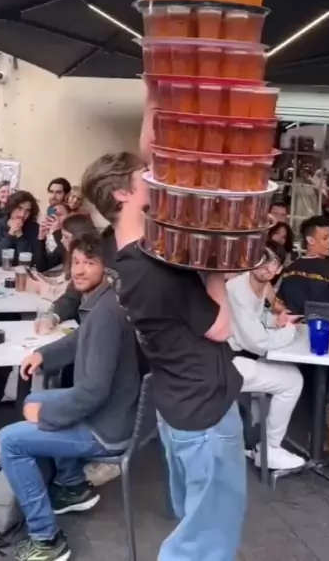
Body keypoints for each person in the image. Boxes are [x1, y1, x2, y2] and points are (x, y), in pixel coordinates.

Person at [81, 144, 246, 561]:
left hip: (174, 403)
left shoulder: (117, 252)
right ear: (122, 193)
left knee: (194, 517)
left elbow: (142, 152)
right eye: (147, 177)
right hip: (204, 406)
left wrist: (154, 104)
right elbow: (220, 327)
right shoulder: (155, 268)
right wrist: (215, 273)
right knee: (205, 542)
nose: (157, 179)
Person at [0, 233, 140, 561]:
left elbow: (93, 392)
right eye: (76, 262)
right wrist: (43, 355)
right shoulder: (102, 303)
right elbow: (77, 342)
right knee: (32, 402)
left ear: (107, 268)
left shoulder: (106, 314)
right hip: (110, 413)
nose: (80, 270)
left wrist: (47, 418)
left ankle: (47, 540)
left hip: (105, 429)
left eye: (90, 262)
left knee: (9, 442)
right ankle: (72, 486)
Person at [227, 253, 305, 471]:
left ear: (279, 269)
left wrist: (275, 321)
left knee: (286, 370)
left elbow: (254, 319)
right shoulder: (237, 289)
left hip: (236, 355)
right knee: (293, 381)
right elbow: (258, 342)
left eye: (274, 262)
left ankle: (255, 441)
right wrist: (289, 331)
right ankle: (269, 450)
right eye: (263, 258)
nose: (267, 266)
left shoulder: (254, 285)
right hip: (225, 362)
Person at [276, 215, 329, 315]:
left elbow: (278, 305)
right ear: (310, 240)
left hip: (290, 324)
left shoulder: (288, 270)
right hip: (322, 324)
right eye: (325, 238)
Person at [0, 190, 40, 266]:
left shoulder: (34, 229)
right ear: (11, 208)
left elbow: (31, 262)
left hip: (23, 272)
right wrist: (10, 235)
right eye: (19, 208)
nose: (22, 214)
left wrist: (20, 236)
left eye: (27, 211)